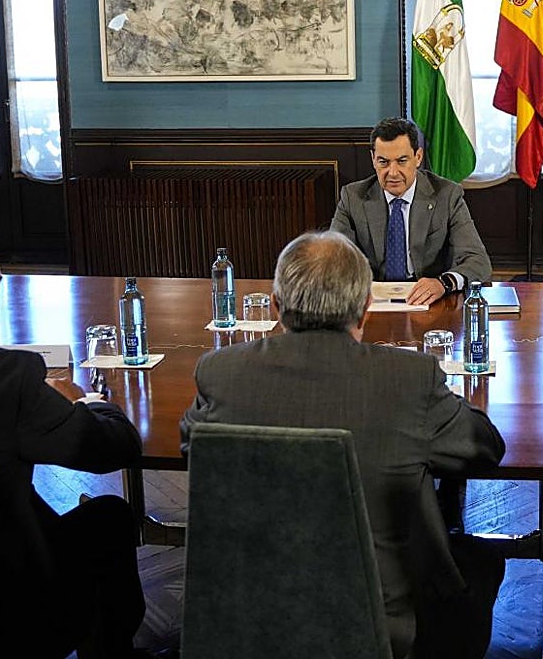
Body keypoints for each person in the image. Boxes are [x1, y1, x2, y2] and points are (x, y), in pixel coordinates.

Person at [180, 230, 506, 659]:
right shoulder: (409, 380)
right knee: (480, 559)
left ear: (277, 307)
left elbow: (192, 443)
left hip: (245, 615)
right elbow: (484, 449)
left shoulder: (221, 373)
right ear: (365, 308)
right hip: (378, 622)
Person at [0, 224, 146, 659]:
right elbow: (114, 448)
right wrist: (87, 400)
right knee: (108, 517)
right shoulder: (4, 379)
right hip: (4, 615)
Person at [330, 117, 492, 305]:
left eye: (401, 161)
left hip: (431, 302)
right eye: (383, 162)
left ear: (418, 157)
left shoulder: (446, 195)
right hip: (372, 302)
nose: (392, 172)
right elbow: (333, 259)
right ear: (373, 159)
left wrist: (443, 283)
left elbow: (478, 262)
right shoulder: (353, 197)